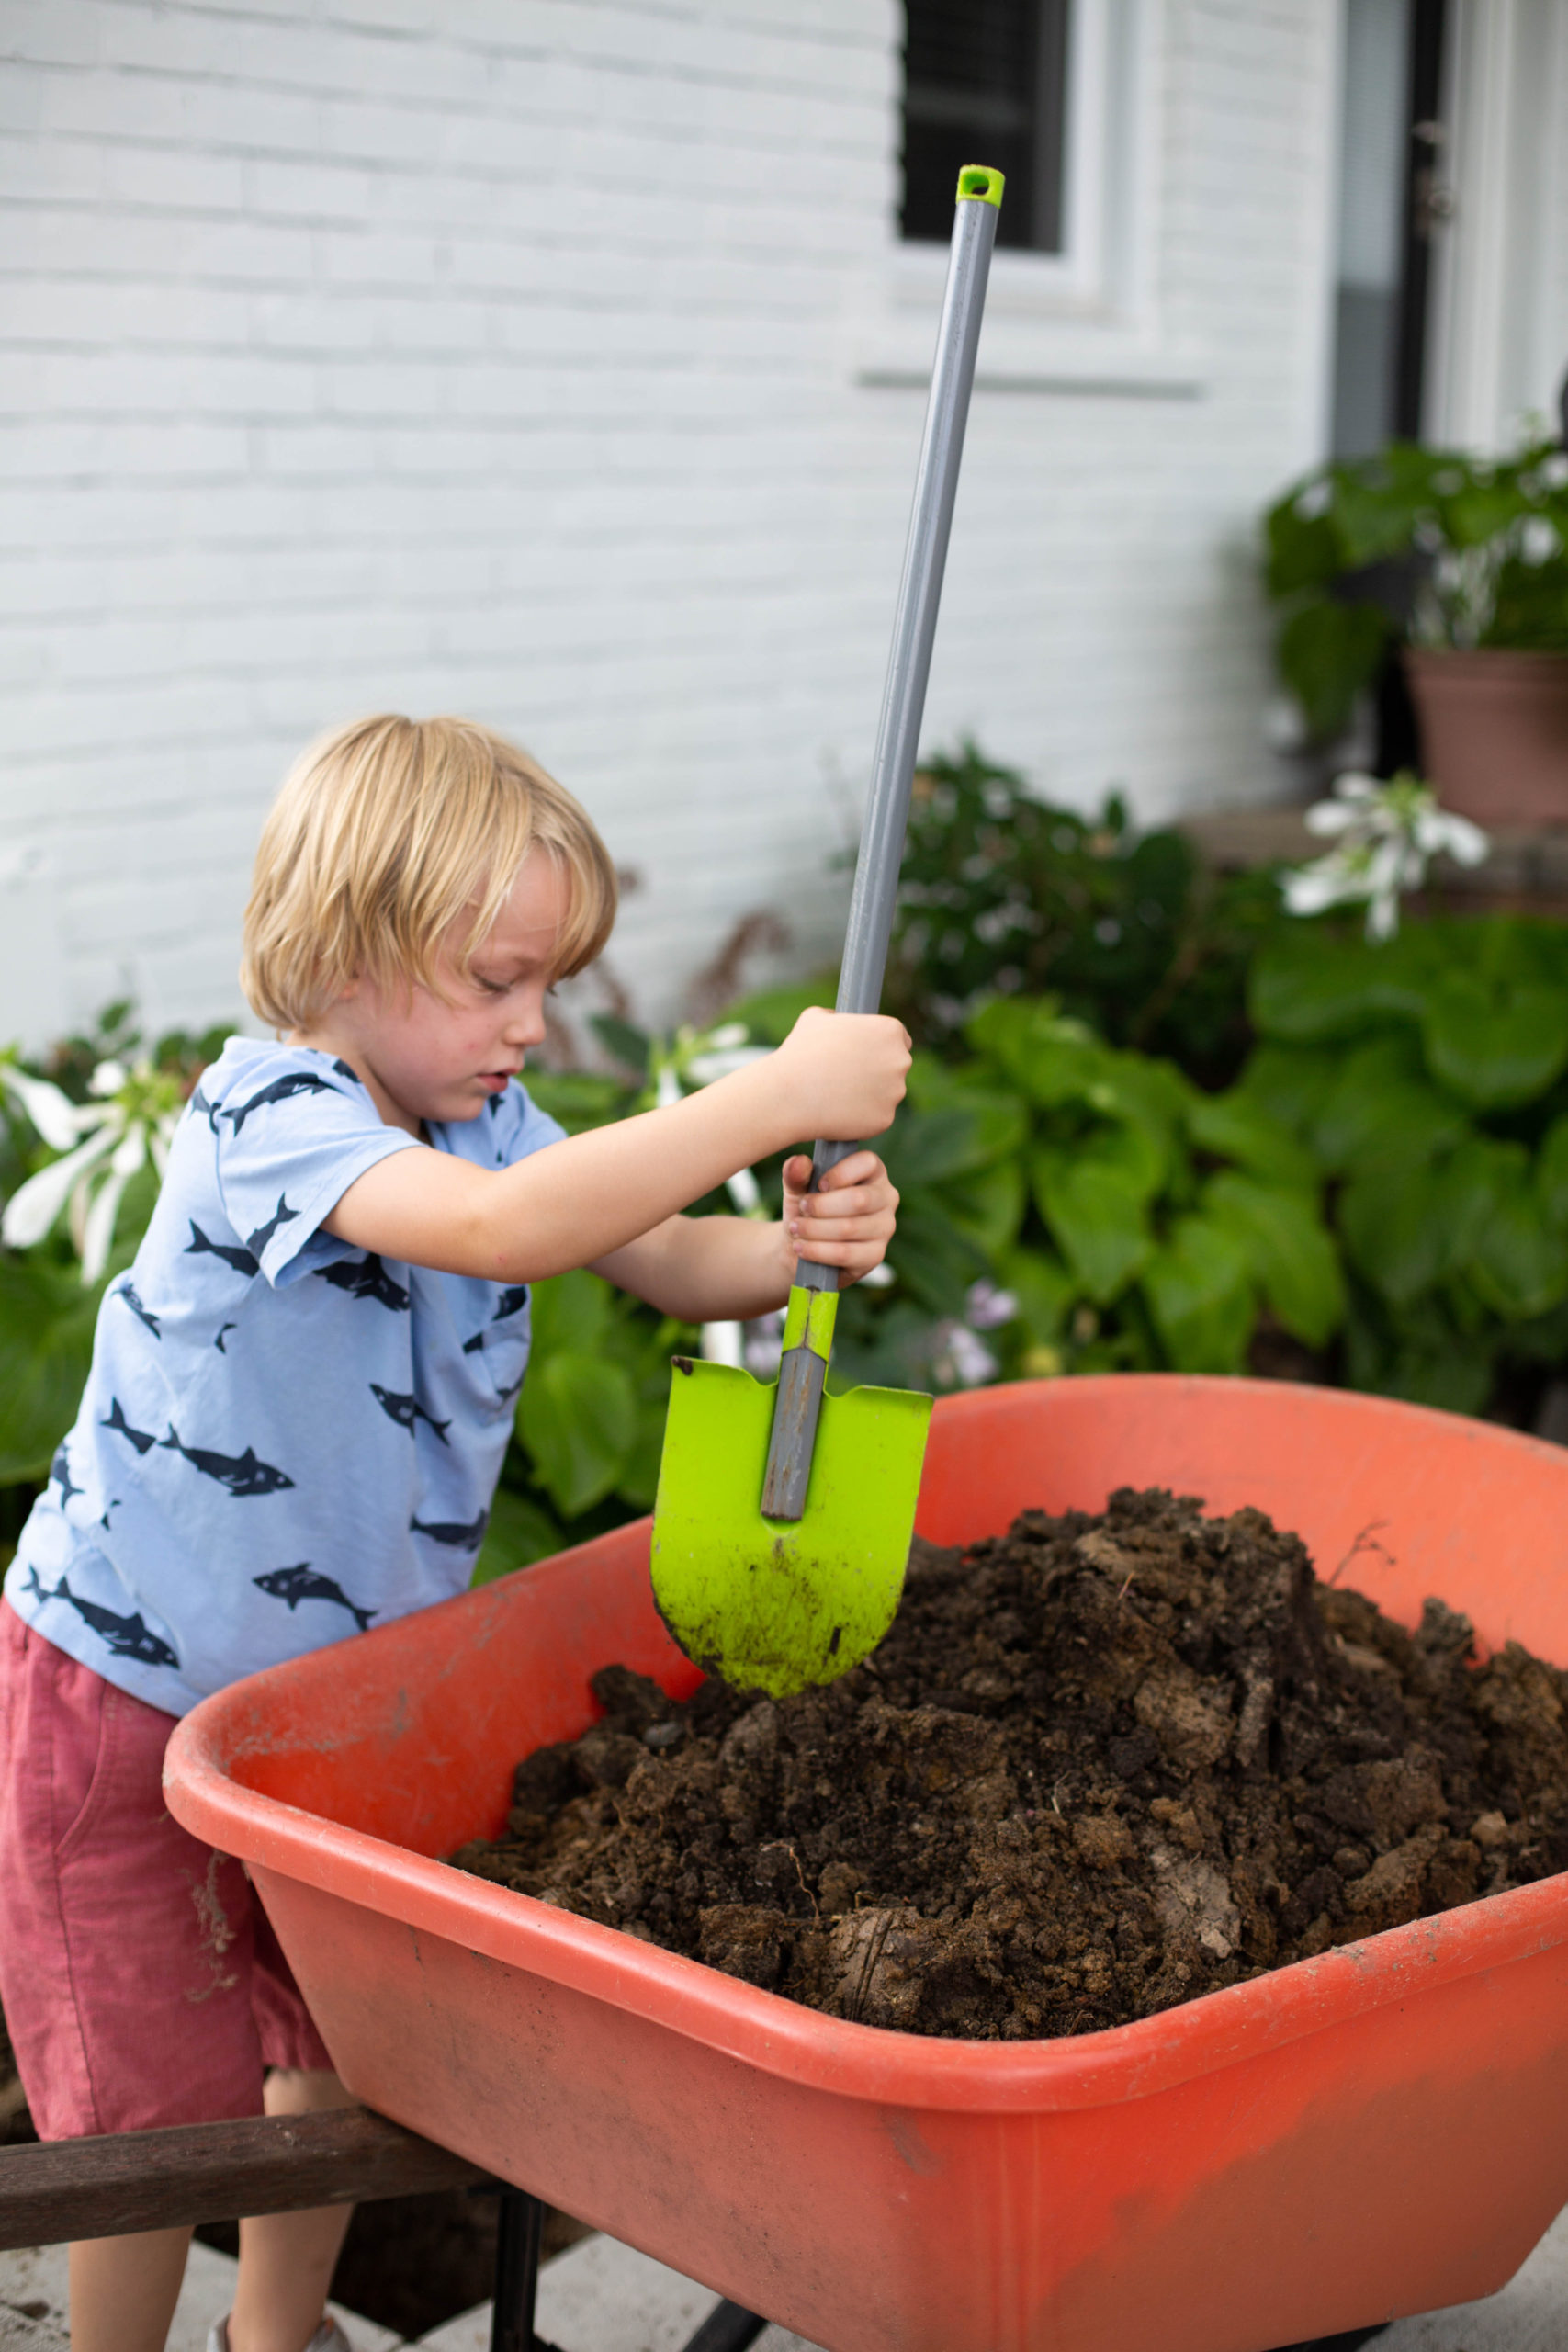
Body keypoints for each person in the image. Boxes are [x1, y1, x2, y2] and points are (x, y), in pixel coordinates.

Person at [0, 714, 909, 2352]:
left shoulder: (493, 1123)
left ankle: (276, 2335)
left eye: (548, 981)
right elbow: (501, 1241)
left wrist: (799, 1248)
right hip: (123, 1683)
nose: (534, 1023)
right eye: (496, 980)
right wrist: (769, 1091)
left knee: (332, 2031)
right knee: (139, 2109)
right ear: (346, 948)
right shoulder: (265, 1116)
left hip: (324, 1710)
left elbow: (669, 1260)